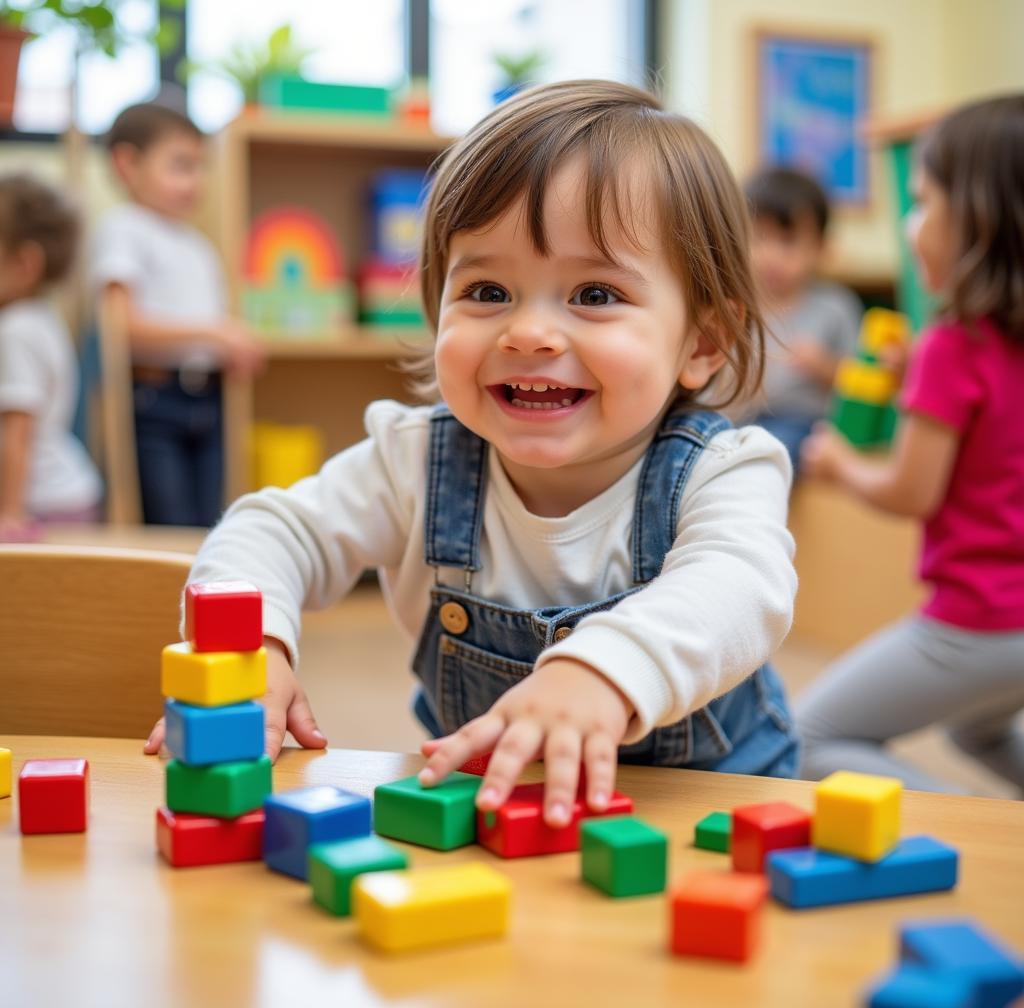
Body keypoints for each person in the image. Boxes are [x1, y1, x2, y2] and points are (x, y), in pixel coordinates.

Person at [144, 81, 799, 826]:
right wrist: (252, 648)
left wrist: (600, 672)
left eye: (593, 294)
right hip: (505, 810)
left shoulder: (723, 469)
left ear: (703, 341)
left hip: (710, 809)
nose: (528, 333)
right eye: (488, 290)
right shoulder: (415, 460)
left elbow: (741, 586)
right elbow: (274, 530)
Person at [797, 94, 1024, 794]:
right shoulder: (979, 350)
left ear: (979, 222)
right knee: (973, 727)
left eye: (923, 204)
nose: (909, 223)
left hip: (978, 619)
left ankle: (978, 834)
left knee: (808, 737)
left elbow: (908, 490)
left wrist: (839, 464)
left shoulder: (953, 347)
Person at [92, 101, 263, 527]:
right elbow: (121, 327)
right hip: (156, 404)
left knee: (208, 525)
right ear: (128, 164)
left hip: (208, 400)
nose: (196, 181)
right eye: (181, 165)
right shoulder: (124, 228)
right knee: (170, 527)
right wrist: (215, 335)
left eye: (200, 166)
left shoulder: (196, 245)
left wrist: (229, 348)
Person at [0, 173, 102, 541]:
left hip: (41, 503)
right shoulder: (43, 318)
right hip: (68, 491)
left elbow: (18, 431)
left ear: (25, 263)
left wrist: (10, 514)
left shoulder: (16, 331)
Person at [740, 167, 861, 471]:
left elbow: (862, 383)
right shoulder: (738, 306)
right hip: (742, 419)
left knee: (777, 446)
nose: (770, 255)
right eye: (759, 238)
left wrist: (824, 366)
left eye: (787, 240)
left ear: (820, 247)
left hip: (804, 423)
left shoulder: (835, 307)